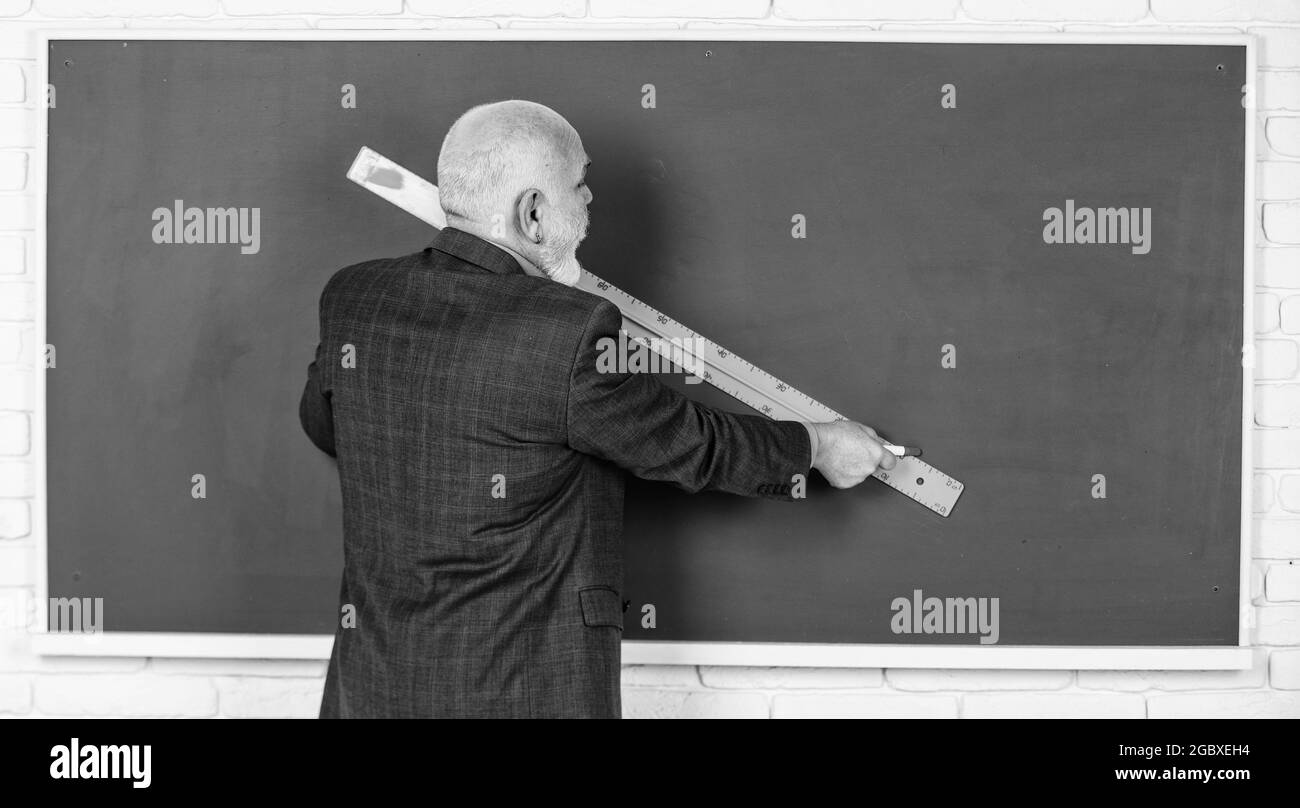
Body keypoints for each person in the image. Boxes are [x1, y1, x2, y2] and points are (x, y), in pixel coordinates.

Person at [298, 99, 896, 718]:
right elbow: (692, 443)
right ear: (532, 213)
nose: (589, 202)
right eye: (580, 184)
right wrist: (819, 446)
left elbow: (324, 423)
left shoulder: (355, 298)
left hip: (369, 691)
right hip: (522, 697)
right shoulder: (570, 333)